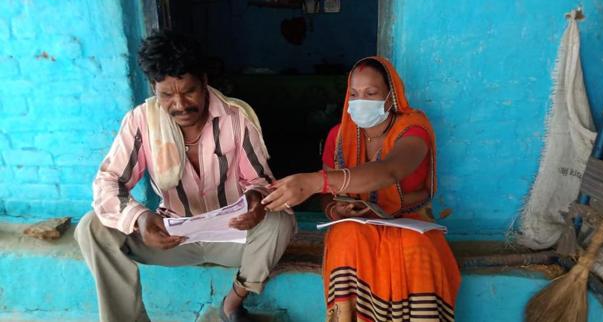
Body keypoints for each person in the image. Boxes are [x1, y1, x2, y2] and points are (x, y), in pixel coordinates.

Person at [75, 30, 295, 322]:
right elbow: (108, 182)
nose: (179, 104)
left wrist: (255, 200)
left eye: (189, 91)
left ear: (204, 82)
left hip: (232, 237)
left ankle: (233, 303)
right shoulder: (141, 121)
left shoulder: (236, 118)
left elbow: (260, 181)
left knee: (280, 220)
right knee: (92, 227)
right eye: (167, 95)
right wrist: (140, 219)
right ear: (155, 89)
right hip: (171, 238)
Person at [263, 57, 461, 321]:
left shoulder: (413, 129)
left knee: (416, 248)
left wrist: (314, 181)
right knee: (346, 237)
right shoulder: (340, 135)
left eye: (371, 93)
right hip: (360, 223)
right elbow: (327, 198)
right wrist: (336, 209)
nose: (361, 101)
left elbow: (390, 170)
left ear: (391, 97)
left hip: (410, 222)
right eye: (354, 94)